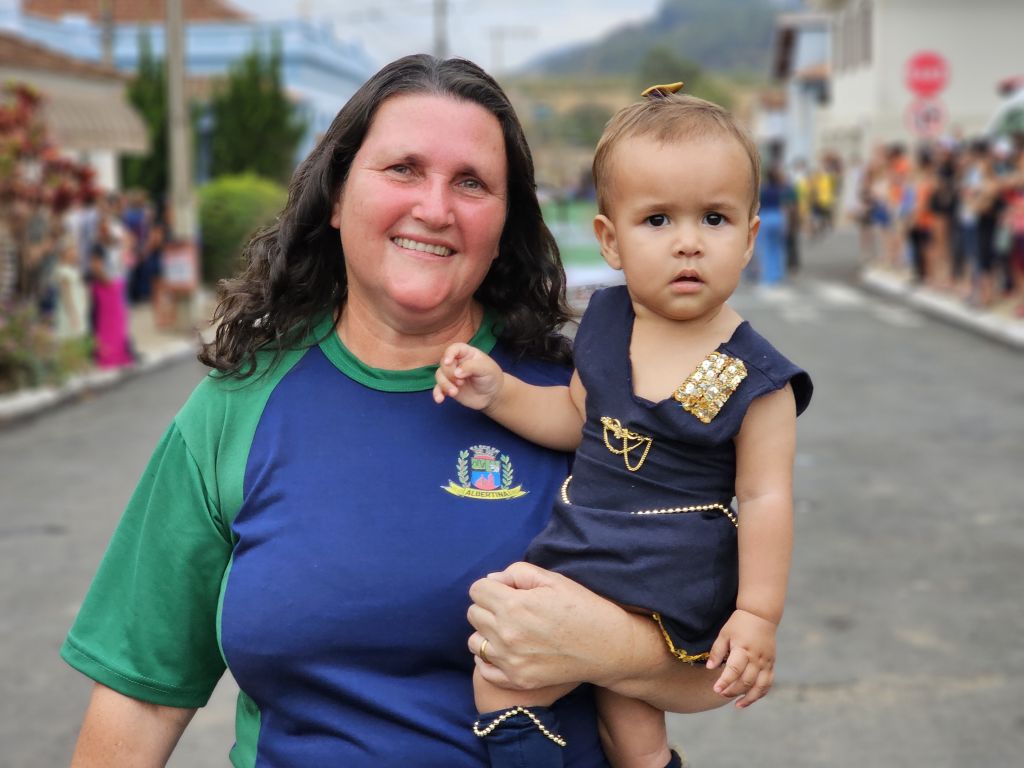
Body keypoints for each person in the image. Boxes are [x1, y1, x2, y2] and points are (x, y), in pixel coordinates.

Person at [61, 56, 728, 767]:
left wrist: (605, 647)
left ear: (505, 223)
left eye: (471, 183)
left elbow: (722, 662)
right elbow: (140, 696)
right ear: (336, 198)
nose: (435, 208)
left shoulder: (584, 397)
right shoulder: (235, 409)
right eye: (403, 169)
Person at [435, 86, 813, 768]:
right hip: (587, 549)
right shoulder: (606, 326)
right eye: (658, 220)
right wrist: (498, 394)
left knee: (525, 683)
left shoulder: (746, 374)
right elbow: (576, 419)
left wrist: (758, 615)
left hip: (671, 572)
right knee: (594, 713)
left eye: (716, 219)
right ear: (610, 240)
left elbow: (764, 499)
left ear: (750, 238)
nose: (689, 243)